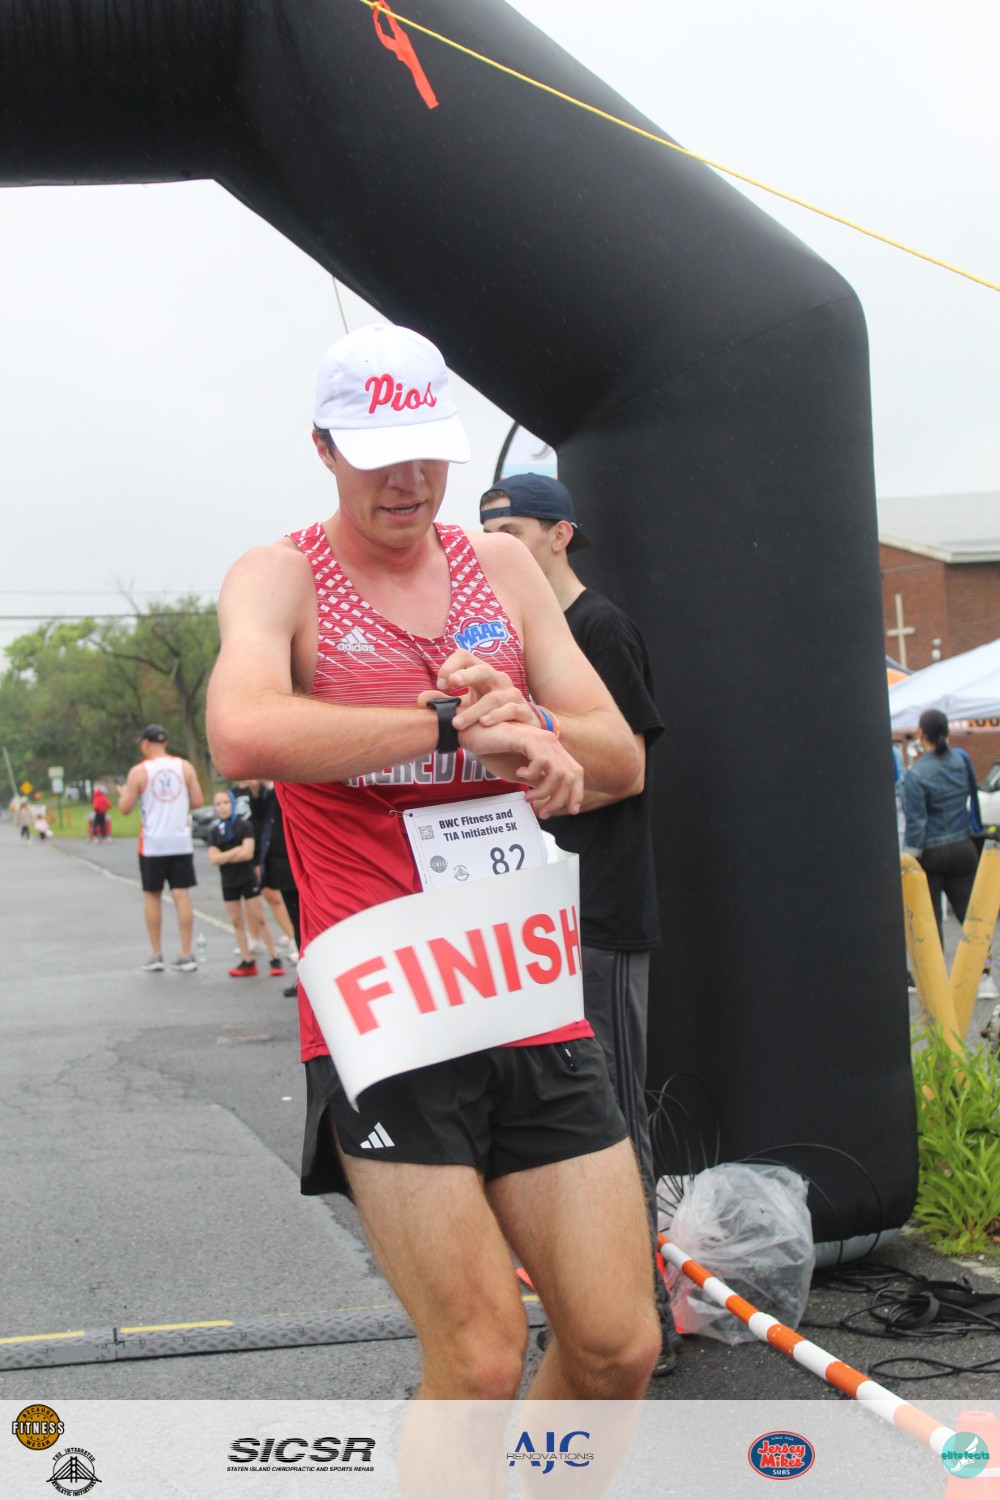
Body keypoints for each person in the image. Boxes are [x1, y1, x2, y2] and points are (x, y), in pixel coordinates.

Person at [206, 321, 660, 1403]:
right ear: (324, 448)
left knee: (617, 1347)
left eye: (426, 451)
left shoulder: (498, 565)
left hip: (524, 986)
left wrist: (533, 727)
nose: (407, 480)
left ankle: (542, 1484)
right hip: (386, 1006)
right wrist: (451, 726)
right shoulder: (281, 575)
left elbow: (619, 756)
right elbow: (242, 732)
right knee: (481, 1355)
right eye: (377, 454)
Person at [479, 471, 679, 1375]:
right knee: (544, 1123)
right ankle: (580, 1311)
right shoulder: (512, 641)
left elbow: (629, 767)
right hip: (528, 919)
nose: (493, 544)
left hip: (599, 911)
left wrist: (539, 786)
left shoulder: (599, 627)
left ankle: (647, 1321)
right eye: (482, 529)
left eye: (510, 527)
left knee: (614, 1117)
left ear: (560, 533)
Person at [117, 724, 204, 973]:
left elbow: (125, 808)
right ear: (165, 743)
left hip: (153, 843)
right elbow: (197, 801)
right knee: (181, 894)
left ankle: (156, 953)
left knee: (152, 895)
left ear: (146, 744)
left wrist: (124, 793)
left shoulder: (139, 771)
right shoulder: (185, 767)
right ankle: (186, 953)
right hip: (179, 840)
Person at [903, 707, 983, 942]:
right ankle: (987, 962)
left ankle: (937, 966)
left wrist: (909, 857)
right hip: (963, 848)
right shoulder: (961, 760)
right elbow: (972, 796)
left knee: (931, 921)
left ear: (921, 733)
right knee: (973, 920)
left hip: (932, 854)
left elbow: (917, 822)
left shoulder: (916, 774)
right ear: (947, 732)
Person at [206, 789, 285, 979]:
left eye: (226, 803)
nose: (222, 807)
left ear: (232, 804)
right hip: (228, 880)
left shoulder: (244, 826)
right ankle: (246, 959)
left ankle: (274, 957)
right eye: (218, 804)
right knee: (236, 920)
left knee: (260, 917)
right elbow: (214, 859)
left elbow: (247, 853)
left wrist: (225, 856)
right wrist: (235, 852)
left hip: (247, 878)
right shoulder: (215, 831)